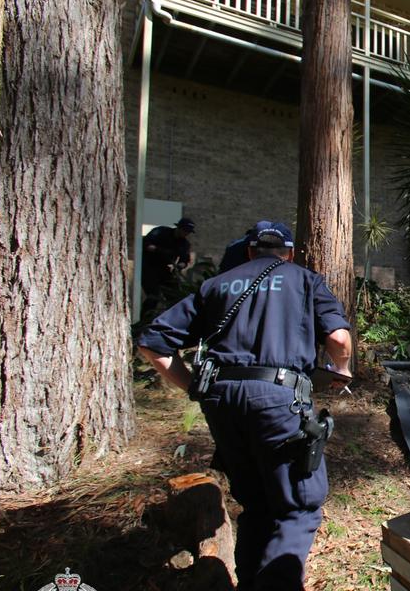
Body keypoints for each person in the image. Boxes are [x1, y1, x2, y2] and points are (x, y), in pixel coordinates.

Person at [136, 220, 353, 590]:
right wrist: (342, 368)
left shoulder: (216, 285)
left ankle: (252, 581)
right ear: (290, 253)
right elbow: (338, 338)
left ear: (250, 251)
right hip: (278, 400)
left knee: (256, 502)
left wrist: (194, 387)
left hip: (222, 401)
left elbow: (152, 343)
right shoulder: (304, 280)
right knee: (298, 507)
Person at [142, 217, 196, 306]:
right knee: (153, 296)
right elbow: (146, 244)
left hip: (164, 269)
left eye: (188, 232)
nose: (186, 234)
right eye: (185, 230)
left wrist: (180, 266)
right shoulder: (161, 232)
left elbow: (184, 259)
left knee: (174, 296)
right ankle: (145, 319)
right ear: (179, 228)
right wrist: (160, 250)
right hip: (149, 267)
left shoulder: (184, 244)